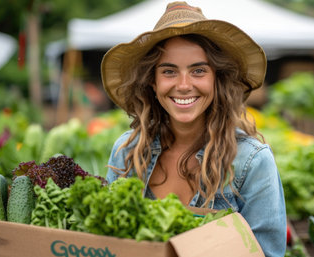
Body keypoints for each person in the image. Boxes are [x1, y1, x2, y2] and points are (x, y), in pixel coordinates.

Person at [102, 2, 286, 256]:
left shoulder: (251, 162)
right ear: (152, 83)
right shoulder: (128, 153)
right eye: (169, 71)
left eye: (198, 70)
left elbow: (266, 253)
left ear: (217, 79)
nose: (184, 85)